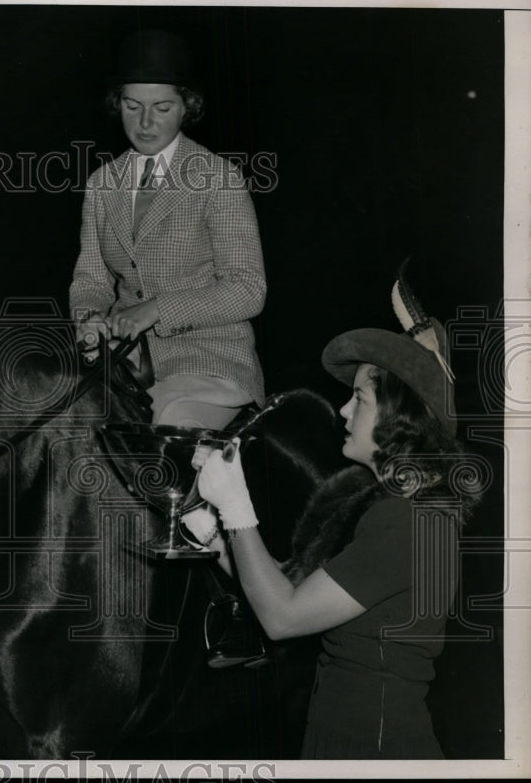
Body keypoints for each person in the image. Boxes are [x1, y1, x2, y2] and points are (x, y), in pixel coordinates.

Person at [189, 294, 480, 758]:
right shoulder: (405, 509)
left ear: (396, 415)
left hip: (373, 749)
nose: (343, 411)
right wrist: (213, 532)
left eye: (359, 397)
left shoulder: (407, 520)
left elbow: (282, 617)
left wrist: (235, 503)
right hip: (351, 736)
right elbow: (290, 591)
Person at [69, 29, 267, 431]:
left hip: (209, 359)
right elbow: (90, 279)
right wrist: (89, 317)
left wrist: (156, 309)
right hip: (124, 361)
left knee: (163, 428)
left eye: (161, 107)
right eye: (131, 105)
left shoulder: (218, 180)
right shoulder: (102, 184)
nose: (144, 123)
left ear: (186, 107)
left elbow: (248, 289)